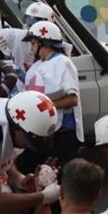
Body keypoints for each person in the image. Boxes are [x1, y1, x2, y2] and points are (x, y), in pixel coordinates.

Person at [21, 21, 83, 168]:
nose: (31, 47)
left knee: (64, 175)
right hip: (42, 131)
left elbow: (72, 99)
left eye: (33, 43)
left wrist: (42, 107)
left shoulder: (62, 63)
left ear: (44, 43)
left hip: (63, 132)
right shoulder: (36, 66)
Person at [0, 1, 54, 73]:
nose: (32, 28)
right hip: (22, 85)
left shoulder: (59, 47)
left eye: (35, 25)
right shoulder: (19, 35)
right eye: (30, 24)